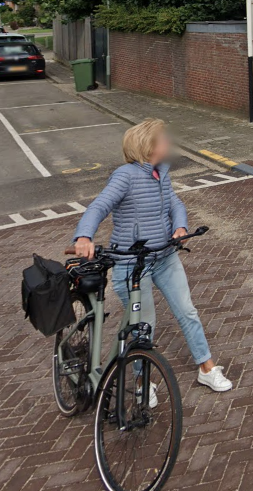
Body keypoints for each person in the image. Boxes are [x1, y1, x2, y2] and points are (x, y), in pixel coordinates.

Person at [70, 119, 233, 392]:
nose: (168, 143)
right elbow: (99, 207)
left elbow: (175, 203)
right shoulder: (125, 176)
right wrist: (84, 236)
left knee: (187, 312)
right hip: (132, 265)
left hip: (163, 256)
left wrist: (180, 226)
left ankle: (207, 368)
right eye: (163, 139)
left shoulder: (162, 173)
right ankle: (141, 383)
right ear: (148, 145)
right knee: (145, 325)